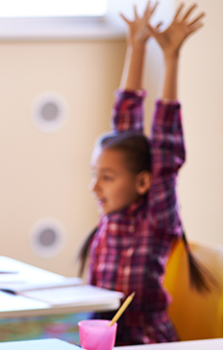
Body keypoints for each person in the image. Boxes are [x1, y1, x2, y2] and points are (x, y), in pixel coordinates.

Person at [78, 2, 210, 345]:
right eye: (96, 173)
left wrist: (170, 59)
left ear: (143, 182)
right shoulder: (113, 212)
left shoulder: (155, 217)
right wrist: (136, 46)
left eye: (107, 177)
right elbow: (124, 129)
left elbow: (165, 150)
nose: (95, 186)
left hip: (144, 339)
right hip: (105, 332)